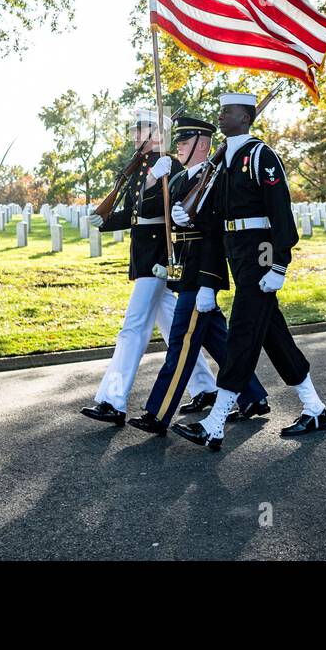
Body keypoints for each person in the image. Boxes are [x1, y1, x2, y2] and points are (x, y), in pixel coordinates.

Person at [171, 92, 326, 451]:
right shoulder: (222, 159)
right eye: (222, 109)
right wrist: (185, 216)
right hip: (237, 254)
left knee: (242, 332)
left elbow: (280, 211)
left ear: (245, 116)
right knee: (273, 336)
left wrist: (279, 263)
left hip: (261, 254)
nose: (221, 115)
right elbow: (211, 221)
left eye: (228, 111)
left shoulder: (261, 156)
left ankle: (215, 423)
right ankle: (315, 408)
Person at [127, 114, 269, 436]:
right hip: (184, 273)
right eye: (177, 141)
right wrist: (152, 180)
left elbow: (215, 238)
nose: (178, 146)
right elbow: (146, 213)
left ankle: (158, 413)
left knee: (181, 344)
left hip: (200, 278)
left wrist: (208, 283)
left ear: (203, 145)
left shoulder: (215, 182)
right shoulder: (177, 180)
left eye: (185, 142)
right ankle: (254, 396)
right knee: (217, 339)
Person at [79, 109, 216, 426]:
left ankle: (113, 401)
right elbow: (132, 213)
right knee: (172, 327)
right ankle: (206, 387)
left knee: (132, 329)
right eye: (135, 130)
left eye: (141, 130)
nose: (135, 135)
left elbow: (159, 208)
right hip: (145, 257)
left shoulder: (163, 164)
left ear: (157, 133)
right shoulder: (142, 166)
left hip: (157, 260)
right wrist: (102, 220)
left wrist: (156, 179)